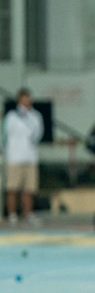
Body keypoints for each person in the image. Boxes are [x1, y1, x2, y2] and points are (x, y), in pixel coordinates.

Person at [3, 88, 43, 225]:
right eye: (25, 98)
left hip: (30, 157)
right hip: (15, 157)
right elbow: (6, 136)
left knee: (29, 188)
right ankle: (12, 214)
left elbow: (38, 135)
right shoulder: (11, 116)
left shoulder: (36, 116)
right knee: (12, 187)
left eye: (29, 98)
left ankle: (28, 214)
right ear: (19, 99)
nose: (27, 100)